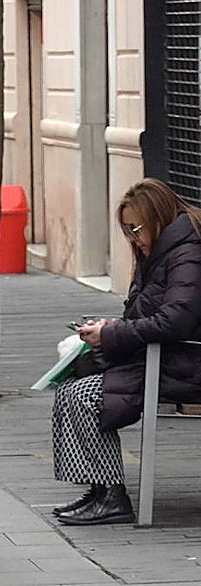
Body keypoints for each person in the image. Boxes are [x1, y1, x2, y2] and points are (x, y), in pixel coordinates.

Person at [50, 178, 201, 526]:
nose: (132, 237)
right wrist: (112, 327)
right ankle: (101, 489)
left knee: (84, 397)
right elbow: (156, 314)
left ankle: (111, 496)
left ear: (157, 218)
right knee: (71, 387)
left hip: (183, 362)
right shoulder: (162, 253)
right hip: (163, 357)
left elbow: (176, 321)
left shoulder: (187, 254)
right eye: (127, 230)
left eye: (135, 228)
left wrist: (112, 334)